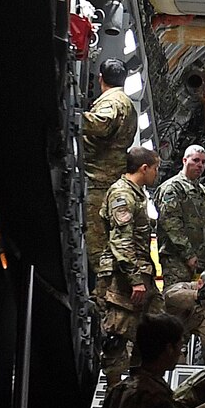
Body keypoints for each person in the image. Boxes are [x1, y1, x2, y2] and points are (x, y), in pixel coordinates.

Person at [96, 146, 161, 386]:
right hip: (122, 279)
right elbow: (121, 242)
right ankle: (114, 394)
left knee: (152, 331)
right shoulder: (122, 194)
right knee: (118, 335)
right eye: (155, 169)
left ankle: (139, 388)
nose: (156, 173)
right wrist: (134, 280)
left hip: (141, 274)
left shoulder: (137, 194)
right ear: (144, 168)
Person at [158, 145, 205, 358]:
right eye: (195, 160)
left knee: (201, 308)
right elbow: (170, 223)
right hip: (177, 262)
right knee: (176, 309)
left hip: (202, 265)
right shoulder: (172, 188)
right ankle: (174, 355)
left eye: (203, 162)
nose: (200, 165)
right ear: (184, 161)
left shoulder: (204, 193)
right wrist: (188, 255)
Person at [80, 59, 139, 279]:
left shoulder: (112, 101)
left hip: (97, 179)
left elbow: (102, 124)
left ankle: (103, 294)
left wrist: (74, 118)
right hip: (110, 178)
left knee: (97, 246)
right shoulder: (128, 104)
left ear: (100, 79)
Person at [164, 268, 205, 366]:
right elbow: (170, 296)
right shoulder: (183, 288)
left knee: (179, 364)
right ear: (200, 283)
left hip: (178, 340)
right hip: (159, 334)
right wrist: (196, 295)